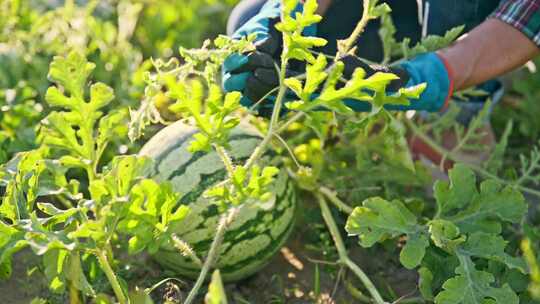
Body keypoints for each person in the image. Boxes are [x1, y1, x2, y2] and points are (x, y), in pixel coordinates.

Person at [222, 0, 540, 165]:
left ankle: (459, 115)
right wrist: (288, 18)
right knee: (249, 15)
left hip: (506, 22)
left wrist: (431, 77)